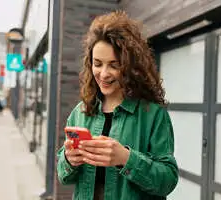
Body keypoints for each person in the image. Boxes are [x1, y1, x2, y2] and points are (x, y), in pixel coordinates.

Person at [57, 11, 178, 200]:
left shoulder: (152, 114)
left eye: (114, 65)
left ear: (130, 67)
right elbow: (63, 175)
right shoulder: (81, 111)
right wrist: (68, 160)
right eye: (97, 64)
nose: (103, 74)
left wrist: (126, 159)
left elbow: (168, 180)